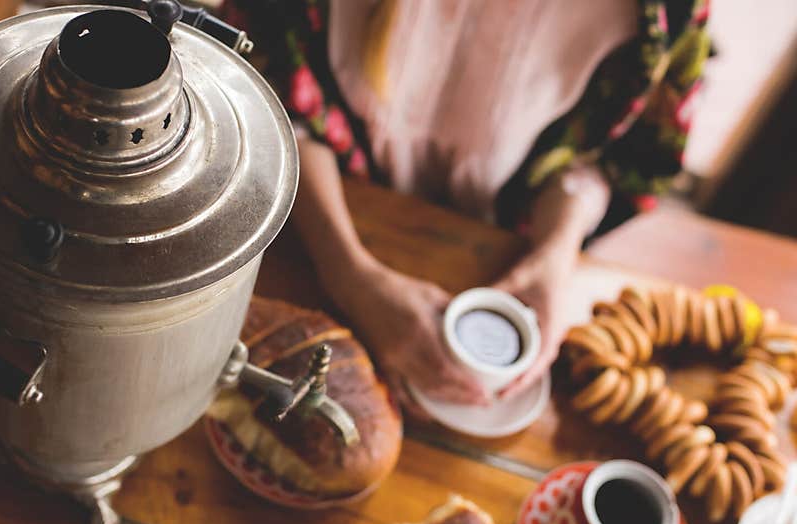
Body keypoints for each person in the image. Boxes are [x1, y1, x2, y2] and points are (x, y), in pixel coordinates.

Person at [219, 0, 711, 417]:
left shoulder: (664, 13)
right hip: (292, 234)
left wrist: (558, 252)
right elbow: (252, 76)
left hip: (494, 251)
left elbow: (624, 160)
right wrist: (347, 270)